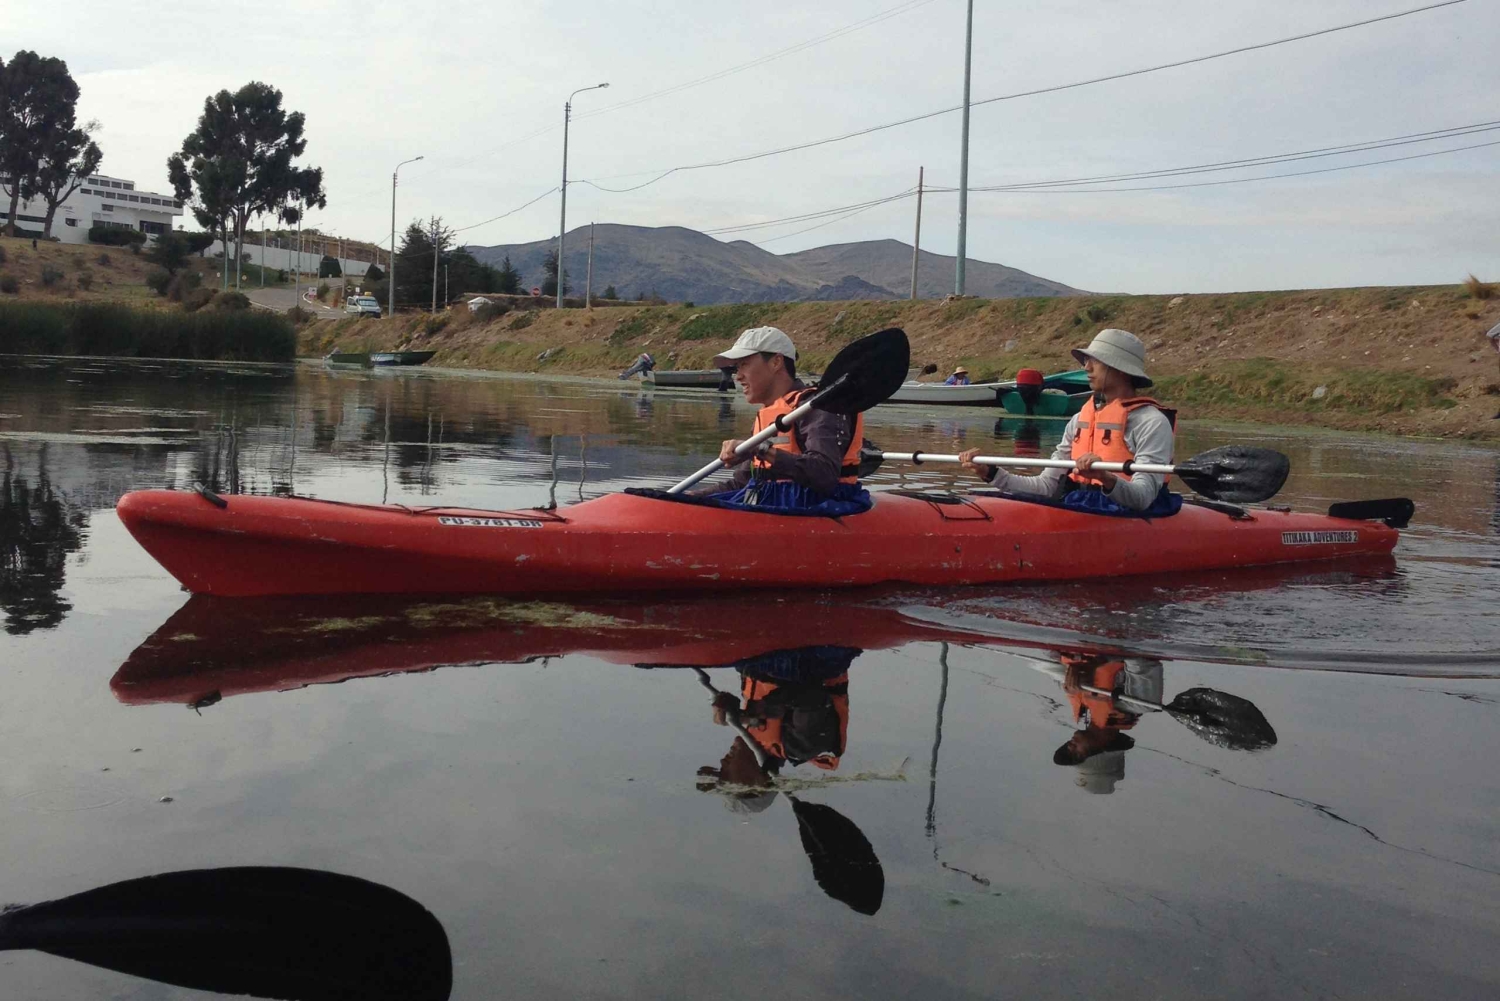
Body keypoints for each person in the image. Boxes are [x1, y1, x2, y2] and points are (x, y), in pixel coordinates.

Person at [958, 328, 1176, 515]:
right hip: (1079, 505)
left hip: (1127, 514)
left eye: (1095, 361)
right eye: (1086, 361)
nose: (1086, 367)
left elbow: (1143, 497)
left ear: (1120, 369)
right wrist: (991, 473)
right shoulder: (1078, 420)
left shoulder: (1152, 423)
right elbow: (1046, 486)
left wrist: (1105, 478)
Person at [707, 326, 867, 509]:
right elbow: (740, 484)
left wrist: (760, 449)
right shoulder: (767, 414)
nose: (738, 376)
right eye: (737, 368)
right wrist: (685, 498)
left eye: (744, 364)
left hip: (817, 506)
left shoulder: (818, 407)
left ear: (776, 362)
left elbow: (824, 474)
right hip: (773, 501)